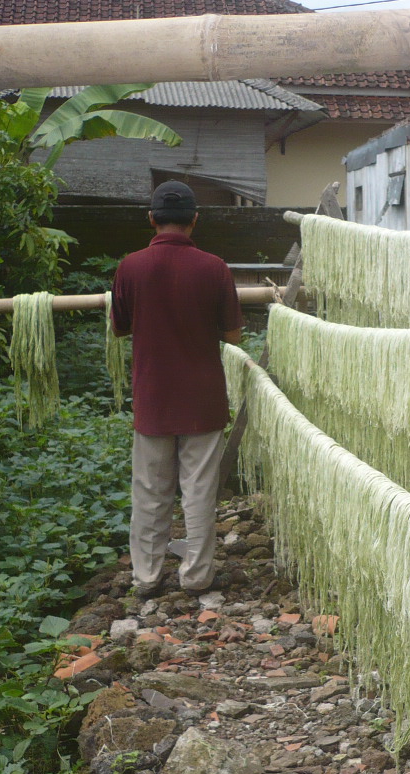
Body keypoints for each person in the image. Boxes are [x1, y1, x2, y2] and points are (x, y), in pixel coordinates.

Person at [111, 180, 243, 597]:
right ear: (195, 220)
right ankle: (197, 577)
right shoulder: (215, 267)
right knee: (200, 491)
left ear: (151, 219)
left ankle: (147, 578)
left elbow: (119, 328)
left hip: (152, 396)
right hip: (203, 398)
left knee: (150, 492)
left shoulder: (129, 267)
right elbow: (234, 335)